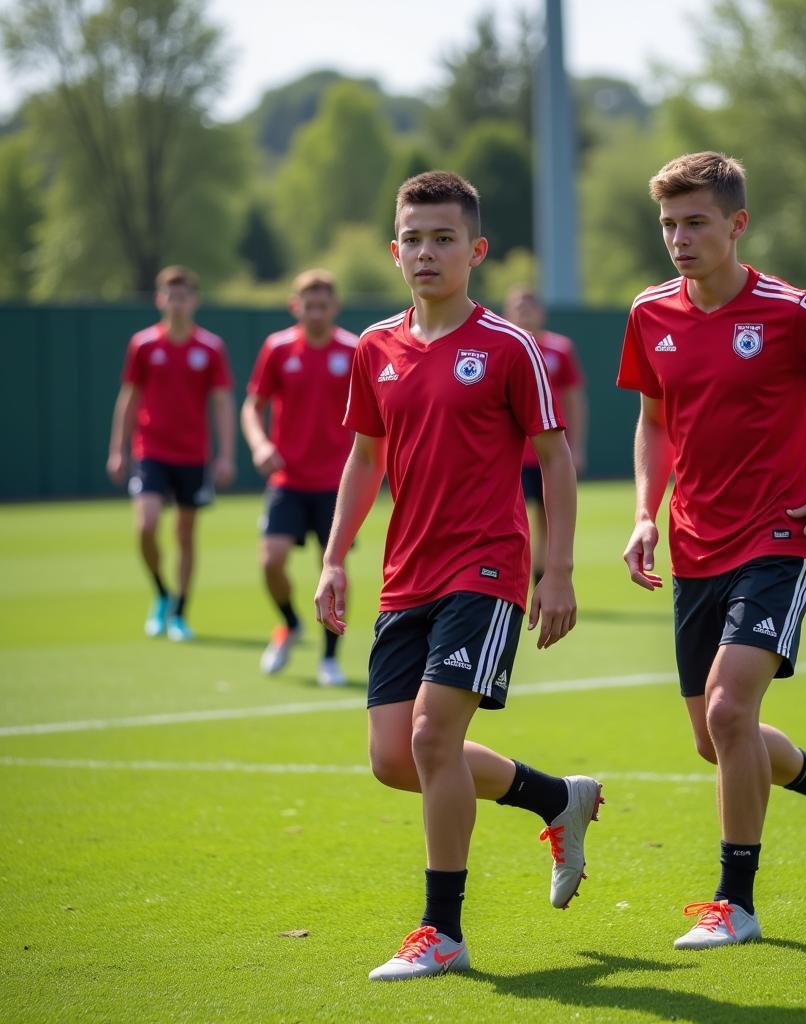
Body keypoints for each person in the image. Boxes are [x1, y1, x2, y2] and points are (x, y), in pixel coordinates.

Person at [314, 171, 602, 982]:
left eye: (444, 238)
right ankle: (555, 799)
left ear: (475, 250)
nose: (426, 252)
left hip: (487, 565)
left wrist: (558, 570)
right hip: (407, 575)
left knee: (434, 737)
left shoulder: (509, 346)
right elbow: (366, 458)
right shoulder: (374, 347)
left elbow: (555, 457)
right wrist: (337, 556)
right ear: (393, 250)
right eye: (413, 238)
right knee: (393, 759)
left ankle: (442, 931)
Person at [617, 152, 806, 949]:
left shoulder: (793, 310)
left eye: (696, 223)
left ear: (736, 225)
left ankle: (734, 902)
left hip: (783, 537)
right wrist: (647, 513)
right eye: (670, 224)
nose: (679, 238)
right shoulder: (650, 314)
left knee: (729, 708)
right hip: (693, 543)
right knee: (716, 739)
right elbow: (653, 419)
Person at [241, 270, 359, 686]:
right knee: (271, 561)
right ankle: (290, 624)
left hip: (337, 483)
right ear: (296, 306)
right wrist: (260, 445)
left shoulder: (354, 349)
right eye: (308, 305)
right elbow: (251, 406)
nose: (315, 313)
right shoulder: (277, 348)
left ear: (335, 308)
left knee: (333, 571)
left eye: (323, 305)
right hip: (288, 480)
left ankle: (330, 657)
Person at [107, 265, 235, 642]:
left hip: (193, 455)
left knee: (185, 534)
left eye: (184, 296)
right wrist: (118, 449)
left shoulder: (210, 348)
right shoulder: (143, 344)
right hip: (151, 451)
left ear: (194, 301)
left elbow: (223, 402)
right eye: (170, 296)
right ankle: (162, 594)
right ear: (159, 299)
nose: (177, 303)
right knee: (145, 526)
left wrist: (226, 454)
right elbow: (129, 398)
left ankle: (179, 612)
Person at [504, 286, 588, 586]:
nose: (524, 312)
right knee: (511, 519)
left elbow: (574, 400)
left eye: (529, 305)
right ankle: (511, 576)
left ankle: (544, 577)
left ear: (541, 312)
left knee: (547, 516)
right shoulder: (502, 348)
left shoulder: (558, 349)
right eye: (517, 306)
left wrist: (576, 447)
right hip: (510, 454)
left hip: (547, 452)